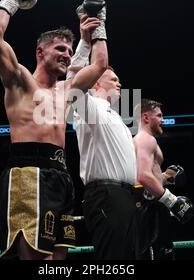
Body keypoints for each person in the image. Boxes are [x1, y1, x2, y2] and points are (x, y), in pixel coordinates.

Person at [0, 0, 108, 260]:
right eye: (60, 49)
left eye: (69, 49)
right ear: (40, 52)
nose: (67, 55)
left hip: (61, 177)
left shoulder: (68, 89)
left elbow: (100, 64)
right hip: (27, 174)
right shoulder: (20, 80)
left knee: (58, 259)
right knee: (30, 257)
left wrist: (98, 25)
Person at [69, 43, 137, 258]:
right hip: (106, 195)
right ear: (96, 82)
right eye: (113, 80)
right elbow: (73, 84)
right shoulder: (89, 109)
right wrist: (86, 42)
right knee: (112, 259)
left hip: (124, 195)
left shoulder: (115, 116)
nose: (119, 83)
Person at [133, 99, 194, 260]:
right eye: (159, 116)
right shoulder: (146, 139)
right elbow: (142, 176)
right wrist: (172, 200)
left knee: (162, 253)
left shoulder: (144, 140)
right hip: (147, 208)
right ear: (146, 118)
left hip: (150, 204)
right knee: (154, 254)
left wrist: (166, 178)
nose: (163, 120)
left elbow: (148, 175)